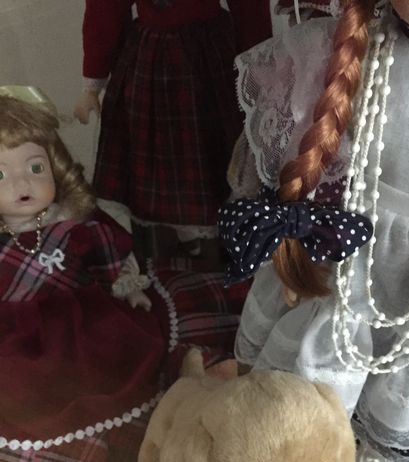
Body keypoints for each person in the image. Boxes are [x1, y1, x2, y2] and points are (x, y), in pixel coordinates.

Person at [220, 1, 409, 462]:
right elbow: (264, 173)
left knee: (393, 428)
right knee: (292, 424)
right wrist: (286, 243)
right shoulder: (325, 52)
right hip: (330, 274)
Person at [0, 91, 242, 451]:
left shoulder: (71, 222)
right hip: (19, 336)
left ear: (55, 166)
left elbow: (109, 256)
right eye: (2, 174)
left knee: (114, 366)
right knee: (20, 387)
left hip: (85, 321)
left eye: (36, 168)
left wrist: (129, 286)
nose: (22, 185)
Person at [73, 0, 272, 264]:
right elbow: (105, 11)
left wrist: (261, 66)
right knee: (153, 163)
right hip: (149, 61)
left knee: (216, 153)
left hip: (211, 57)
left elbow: (249, 9)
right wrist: (92, 83)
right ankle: (169, 252)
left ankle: (224, 248)